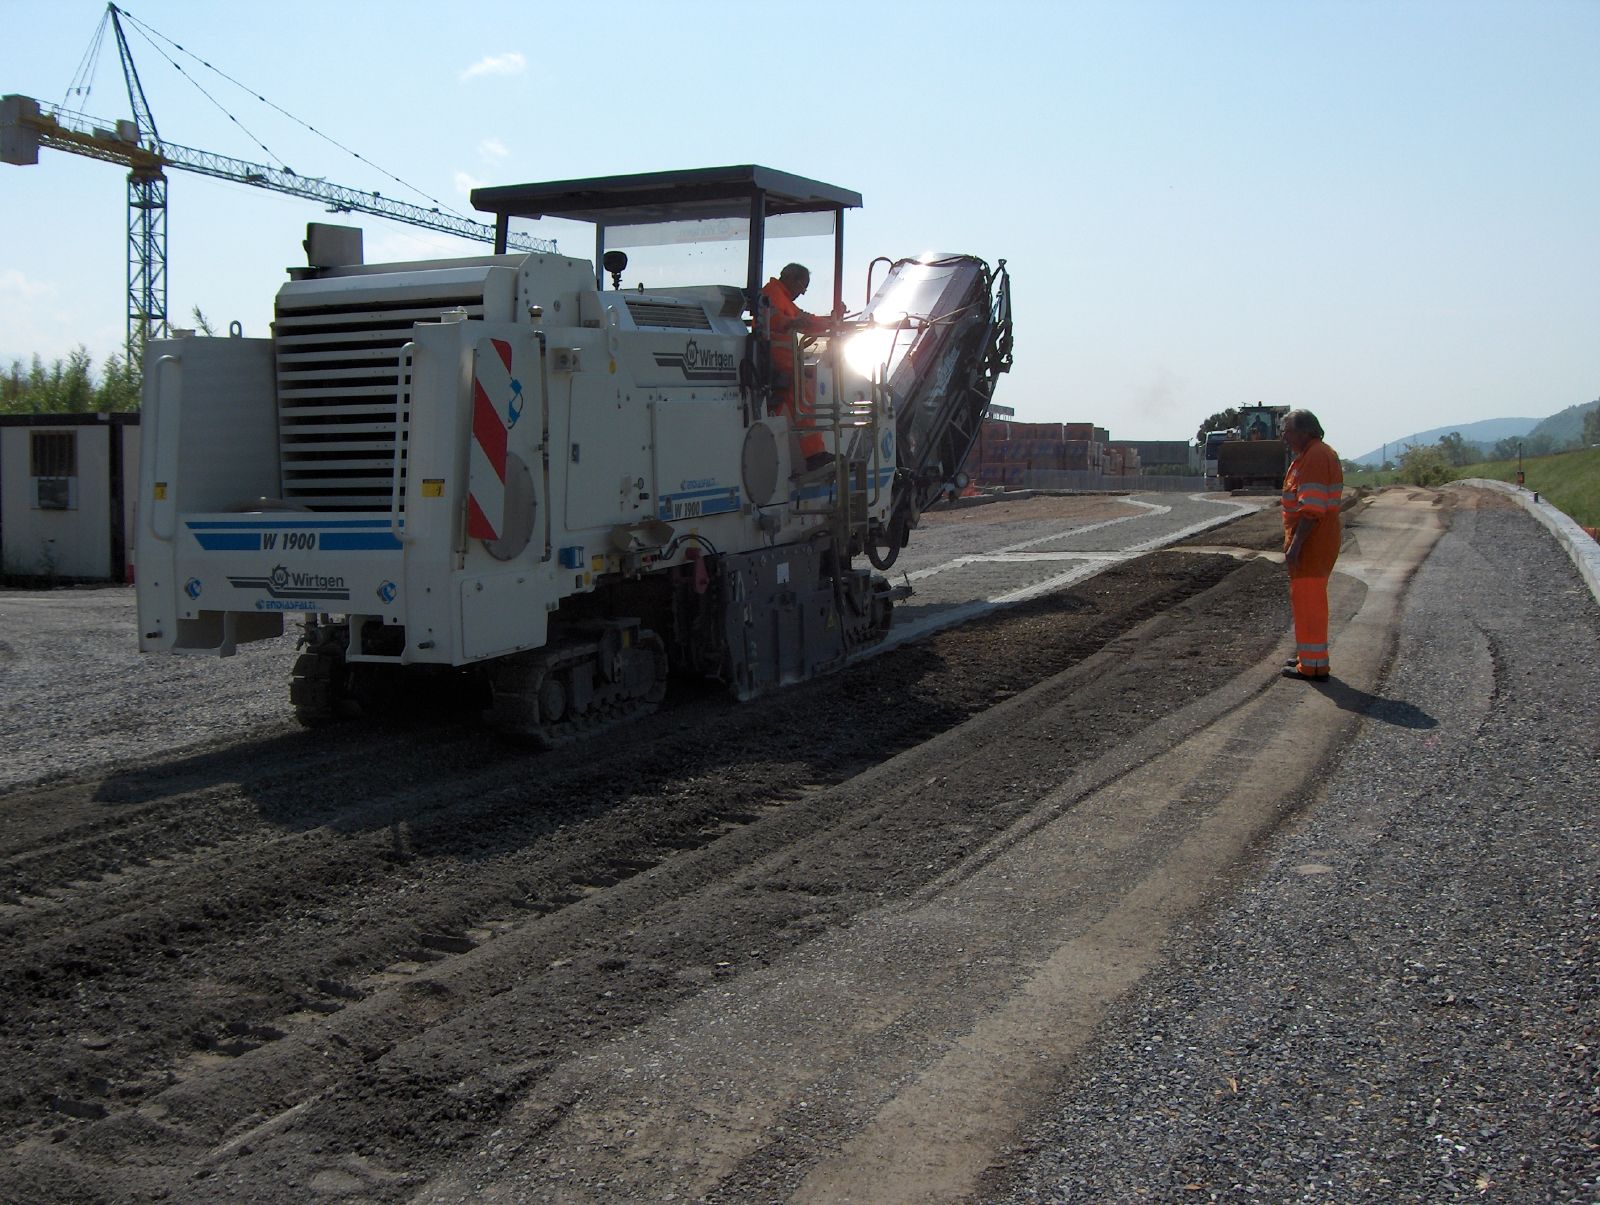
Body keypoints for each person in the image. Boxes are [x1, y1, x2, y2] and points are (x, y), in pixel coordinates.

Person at [1280, 408, 1344, 680]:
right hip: (1314, 540)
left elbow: (1312, 508)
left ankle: (1314, 666)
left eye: (1287, 432)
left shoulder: (1316, 457)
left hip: (1312, 543)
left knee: (1310, 604)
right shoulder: (1309, 455)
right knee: (1306, 601)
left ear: (1304, 432)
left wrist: (1296, 545)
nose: (1284, 437)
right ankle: (1308, 658)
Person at [760, 263, 843, 472]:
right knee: (803, 402)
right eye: (802, 286)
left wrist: (830, 321)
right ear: (791, 278)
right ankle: (815, 454)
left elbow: (804, 320)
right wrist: (794, 323)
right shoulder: (773, 294)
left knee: (770, 413)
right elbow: (783, 321)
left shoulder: (781, 297)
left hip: (778, 364)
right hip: (778, 364)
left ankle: (768, 455)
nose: (803, 292)